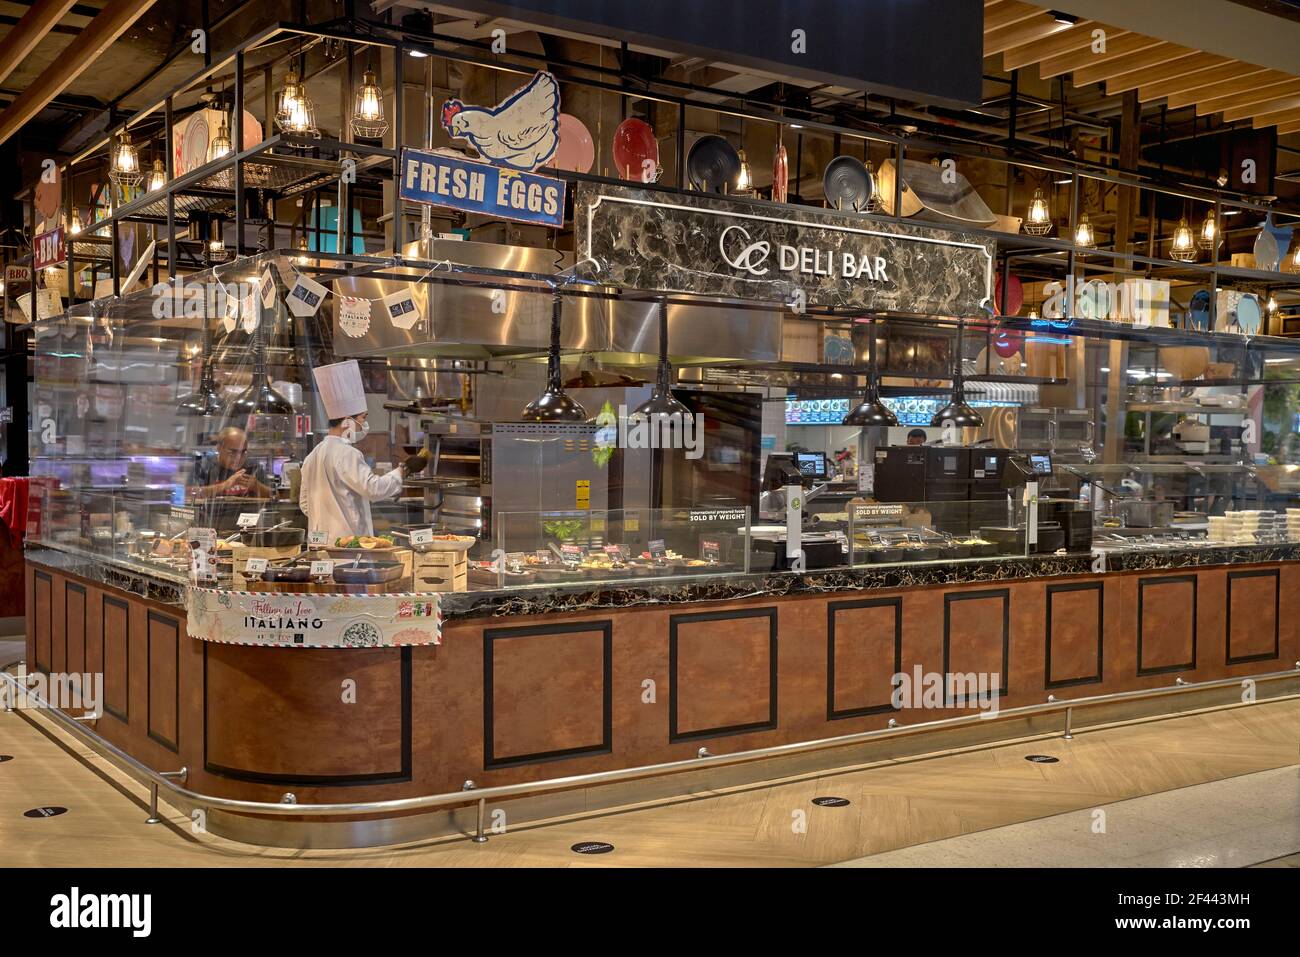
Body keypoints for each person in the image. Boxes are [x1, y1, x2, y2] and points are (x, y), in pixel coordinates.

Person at [299, 360, 427, 541]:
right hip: (348, 547)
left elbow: (305, 504)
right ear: (346, 421)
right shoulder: (348, 453)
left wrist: (326, 520)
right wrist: (403, 470)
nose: (364, 425)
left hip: (318, 544)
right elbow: (373, 489)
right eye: (362, 418)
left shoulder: (312, 455)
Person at [190, 426, 274, 499]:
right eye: (233, 452)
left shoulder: (253, 466)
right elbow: (188, 493)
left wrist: (257, 486)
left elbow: (275, 495)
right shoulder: (204, 466)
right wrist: (225, 485)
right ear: (219, 448)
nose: (238, 458)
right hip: (212, 516)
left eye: (243, 452)